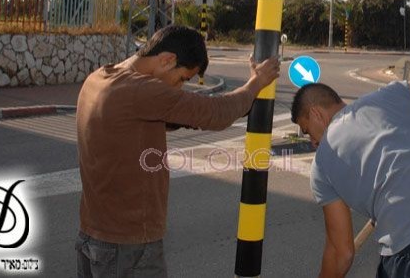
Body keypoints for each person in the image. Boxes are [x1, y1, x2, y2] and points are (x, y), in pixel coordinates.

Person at [75, 25, 280, 277]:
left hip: (93, 235)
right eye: (182, 78)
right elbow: (216, 114)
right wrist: (256, 83)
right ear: (167, 60)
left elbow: (153, 119)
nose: (179, 87)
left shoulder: (99, 78)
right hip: (128, 245)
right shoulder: (139, 89)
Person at [291, 79, 410, 278]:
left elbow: (341, 253)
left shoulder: (323, 162)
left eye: (307, 131)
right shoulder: (389, 96)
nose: (313, 142)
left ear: (316, 113)